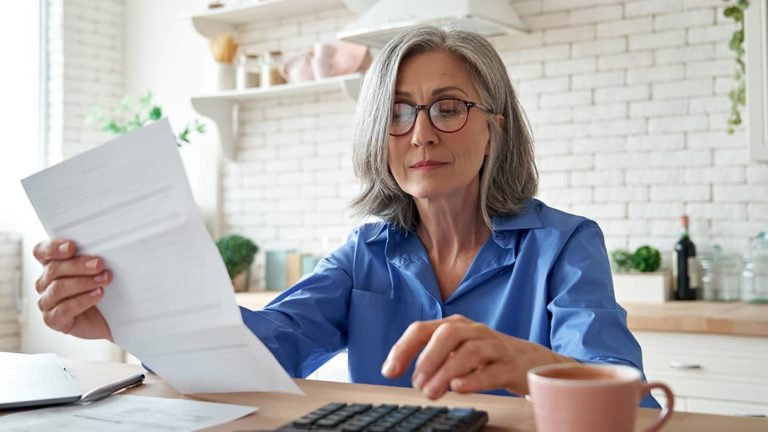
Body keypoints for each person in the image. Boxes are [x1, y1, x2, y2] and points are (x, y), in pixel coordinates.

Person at [33, 25, 658, 407]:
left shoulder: (565, 245)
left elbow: (631, 399)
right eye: (398, 112)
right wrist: (129, 317)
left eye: (447, 108)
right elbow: (266, 349)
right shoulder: (366, 252)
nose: (421, 134)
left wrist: (527, 365)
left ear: (494, 128)